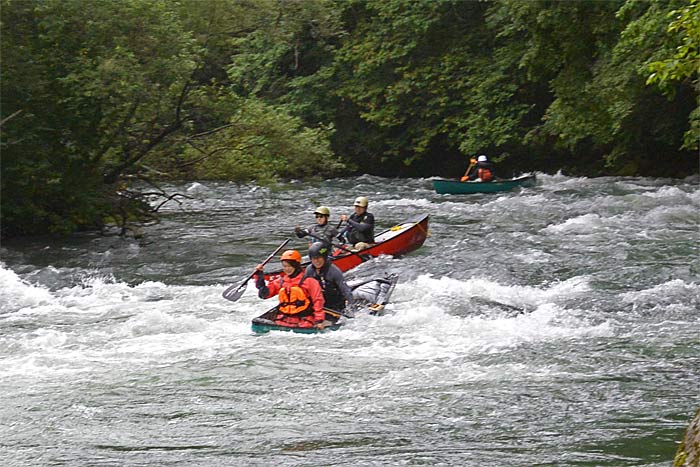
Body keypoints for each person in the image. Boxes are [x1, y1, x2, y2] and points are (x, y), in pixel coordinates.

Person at [255, 249, 326, 329]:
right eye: (285, 266)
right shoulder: (281, 281)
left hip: (304, 319)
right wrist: (259, 276)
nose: (287, 269)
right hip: (284, 318)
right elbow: (264, 294)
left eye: (290, 266)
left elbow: (318, 301)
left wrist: (319, 320)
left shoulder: (309, 281)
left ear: (296, 265)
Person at [304, 242, 354, 313]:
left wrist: (352, 308)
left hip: (335, 307)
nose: (316, 261)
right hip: (318, 305)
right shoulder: (309, 270)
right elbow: (303, 288)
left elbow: (345, 290)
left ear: (324, 257)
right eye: (313, 259)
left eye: (319, 258)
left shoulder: (334, 271)